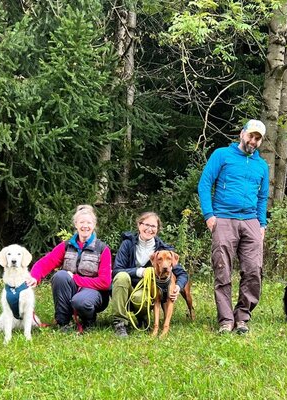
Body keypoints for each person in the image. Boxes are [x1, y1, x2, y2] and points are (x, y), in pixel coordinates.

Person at [197, 119, 270, 335]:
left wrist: (262, 223)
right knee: (222, 269)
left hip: (251, 221)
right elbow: (205, 183)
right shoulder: (222, 155)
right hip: (223, 219)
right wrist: (209, 215)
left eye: (258, 139)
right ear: (242, 134)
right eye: (251, 136)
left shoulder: (262, 166)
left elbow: (263, 197)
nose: (253, 141)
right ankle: (226, 320)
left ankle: (242, 318)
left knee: (253, 270)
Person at [26, 204, 112, 333]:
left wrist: (76, 279)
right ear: (76, 224)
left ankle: (89, 320)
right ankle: (63, 322)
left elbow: (105, 282)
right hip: (71, 289)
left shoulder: (102, 249)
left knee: (80, 301)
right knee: (60, 276)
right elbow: (46, 262)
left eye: (89, 222)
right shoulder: (66, 246)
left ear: (94, 225)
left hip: (95, 293)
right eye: (81, 222)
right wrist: (34, 276)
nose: (85, 226)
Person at [109, 211, 190, 337]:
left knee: (140, 298)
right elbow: (116, 270)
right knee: (121, 276)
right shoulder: (127, 244)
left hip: (146, 293)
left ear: (158, 229)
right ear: (139, 225)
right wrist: (140, 271)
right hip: (127, 288)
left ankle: (142, 318)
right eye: (146, 224)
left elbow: (182, 274)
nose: (149, 229)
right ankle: (120, 323)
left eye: (153, 226)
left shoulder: (162, 250)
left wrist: (178, 287)